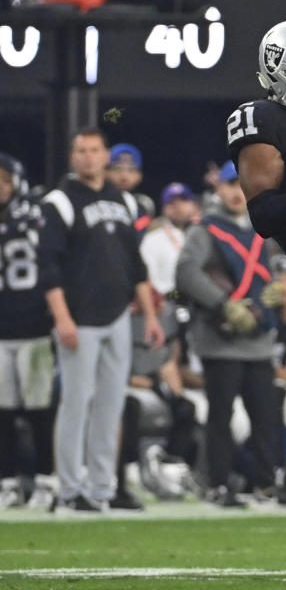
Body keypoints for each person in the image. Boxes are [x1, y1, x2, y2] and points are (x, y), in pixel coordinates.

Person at [39, 127, 165, 512]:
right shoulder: (59, 201)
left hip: (117, 317)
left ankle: (101, 487)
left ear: (105, 155)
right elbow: (49, 268)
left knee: (110, 405)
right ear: (73, 157)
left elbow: (135, 264)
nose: (89, 157)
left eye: (95, 150)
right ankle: (70, 489)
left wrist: (149, 315)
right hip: (79, 318)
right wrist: (62, 318)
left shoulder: (124, 201)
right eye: (82, 150)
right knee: (76, 403)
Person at [175, 162, 279, 508]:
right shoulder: (205, 229)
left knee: (266, 416)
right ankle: (216, 484)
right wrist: (223, 305)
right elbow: (187, 272)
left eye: (243, 185)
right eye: (230, 185)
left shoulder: (264, 225)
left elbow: (285, 267)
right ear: (218, 189)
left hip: (259, 339)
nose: (237, 192)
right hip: (220, 340)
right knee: (220, 417)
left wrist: (280, 291)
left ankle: (267, 485)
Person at [0, 153, 57, 510]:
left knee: (40, 412)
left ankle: (45, 479)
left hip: (34, 326)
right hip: (2, 331)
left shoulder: (36, 216)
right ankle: (7, 481)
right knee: (2, 413)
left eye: (4, 180)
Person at [139, 182, 198, 298]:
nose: (178, 206)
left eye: (183, 200)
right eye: (171, 203)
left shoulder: (206, 234)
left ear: (193, 205)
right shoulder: (152, 239)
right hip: (170, 300)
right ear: (163, 209)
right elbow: (147, 279)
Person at [106, 142, 154, 230]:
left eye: (131, 170)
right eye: (117, 169)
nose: (124, 176)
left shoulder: (143, 206)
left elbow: (139, 234)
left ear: (139, 176)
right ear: (106, 172)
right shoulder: (97, 202)